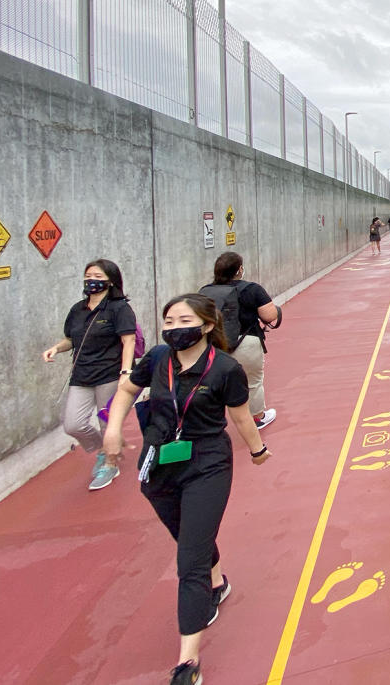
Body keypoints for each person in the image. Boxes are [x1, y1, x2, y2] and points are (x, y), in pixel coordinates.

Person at [103, 293, 271, 685]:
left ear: (208, 326)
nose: (175, 328)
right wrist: (113, 429)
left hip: (207, 464)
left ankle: (187, 662)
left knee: (188, 559)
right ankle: (217, 581)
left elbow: (242, 417)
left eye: (184, 321)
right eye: (170, 321)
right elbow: (128, 390)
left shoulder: (226, 369)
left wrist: (258, 450)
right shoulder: (158, 358)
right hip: (159, 464)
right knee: (187, 535)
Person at [42, 259, 137, 490]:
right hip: (82, 373)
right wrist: (56, 348)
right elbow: (71, 339)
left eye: (97, 276)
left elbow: (129, 340)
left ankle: (111, 464)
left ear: (110, 281)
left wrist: (126, 371)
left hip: (110, 373)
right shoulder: (78, 309)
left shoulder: (119, 308)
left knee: (107, 422)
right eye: (88, 276)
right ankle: (105, 449)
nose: (91, 281)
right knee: (73, 424)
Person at [211, 252, 279, 431]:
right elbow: (270, 315)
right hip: (245, 342)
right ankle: (257, 418)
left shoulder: (206, 291)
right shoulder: (252, 289)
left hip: (214, 344)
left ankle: (208, 421)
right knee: (252, 382)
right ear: (239, 269)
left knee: (210, 383)